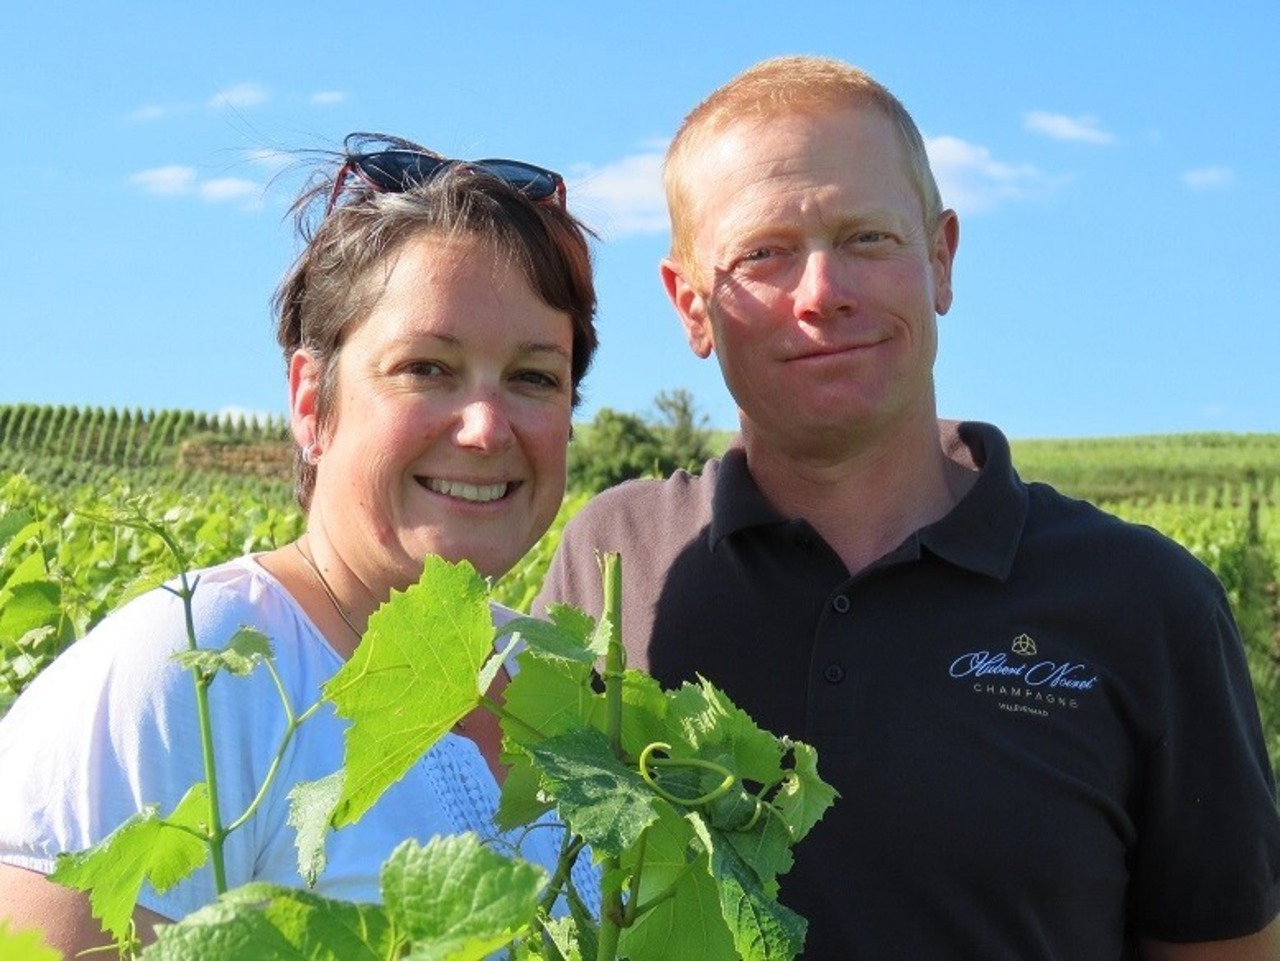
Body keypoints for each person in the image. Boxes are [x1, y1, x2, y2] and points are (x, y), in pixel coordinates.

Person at [535, 57, 1280, 959]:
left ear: (941, 259)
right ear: (691, 305)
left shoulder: (1147, 604)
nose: (823, 292)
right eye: (764, 252)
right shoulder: (614, 561)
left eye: (868, 237)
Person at [0, 132, 600, 953]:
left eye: (534, 377)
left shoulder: (561, 691)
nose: (486, 428)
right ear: (312, 401)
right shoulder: (193, 672)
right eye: (427, 367)